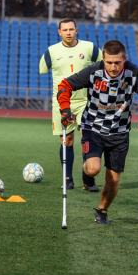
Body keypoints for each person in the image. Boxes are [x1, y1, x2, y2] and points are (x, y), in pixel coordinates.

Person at [57, 40, 138, 224]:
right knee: (93, 169)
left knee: (113, 179)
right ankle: (87, 174)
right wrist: (65, 110)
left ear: (124, 59)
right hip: (92, 127)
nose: (113, 67)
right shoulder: (93, 71)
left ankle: (102, 211)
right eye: (109, 62)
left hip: (119, 132)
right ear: (103, 58)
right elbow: (65, 86)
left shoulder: (132, 73)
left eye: (117, 63)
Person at [39, 18, 100, 191]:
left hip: (85, 101)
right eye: (64, 30)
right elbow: (42, 69)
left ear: (76, 30)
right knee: (67, 140)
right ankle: (68, 179)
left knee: (87, 138)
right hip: (61, 102)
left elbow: (105, 64)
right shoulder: (52, 51)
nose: (68, 33)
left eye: (71, 29)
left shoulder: (89, 48)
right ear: (59, 32)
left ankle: (88, 180)